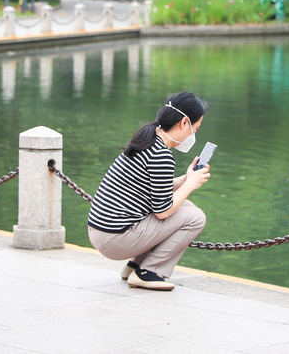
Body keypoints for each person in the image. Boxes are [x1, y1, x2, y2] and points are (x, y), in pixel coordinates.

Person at [88, 92, 210, 291]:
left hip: (102, 231)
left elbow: (150, 186)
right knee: (195, 217)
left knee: (186, 207)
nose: (193, 136)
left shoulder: (149, 138)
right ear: (184, 122)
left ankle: (135, 266)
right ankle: (148, 272)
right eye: (195, 129)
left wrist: (185, 179)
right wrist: (190, 185)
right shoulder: (161, 155)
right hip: (114, 238)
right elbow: (163, 211)